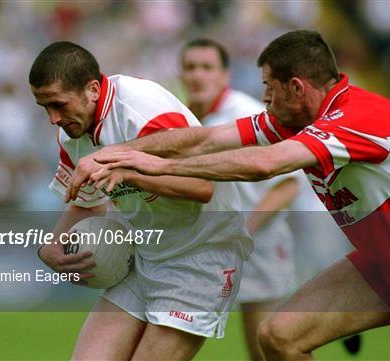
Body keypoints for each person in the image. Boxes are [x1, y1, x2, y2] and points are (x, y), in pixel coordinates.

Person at [68, 30, 390, 360]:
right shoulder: (296, 119)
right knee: (278, 337)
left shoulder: (358, 117)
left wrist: (156, 167)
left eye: (269, 89)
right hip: (388, 265)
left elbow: (266, 165)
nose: (265, 99)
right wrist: (123, 151)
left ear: (296, 87)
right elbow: (207, 139)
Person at [30, 41, 253, 360]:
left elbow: (203, 186)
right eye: (45, 108)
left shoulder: (141, 109)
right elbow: (87, 200)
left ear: (92, 89)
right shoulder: (71, 134)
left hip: (201, 255)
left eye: (58, 105)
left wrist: (129, 172)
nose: (53, 118)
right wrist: (50, 247)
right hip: (141, 255)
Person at [179, 38, 301, 360]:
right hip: (209, 245)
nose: (197, 75)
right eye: (190, 67)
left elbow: (288, 185)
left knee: (266, 345)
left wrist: (244, 230)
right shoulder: (183, 120)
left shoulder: (248, 114)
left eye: (207, 67)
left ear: (224, 75)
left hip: (257, 246)